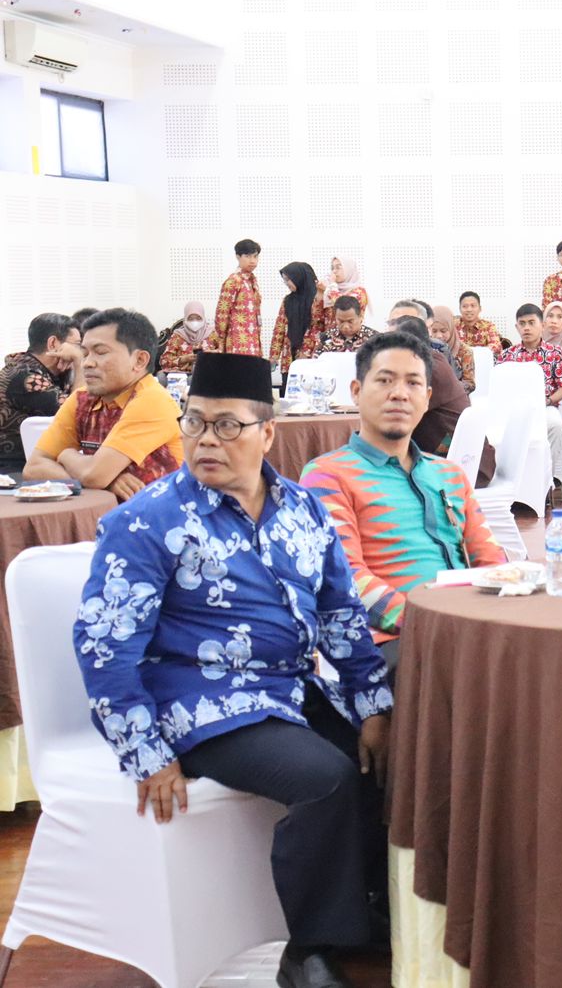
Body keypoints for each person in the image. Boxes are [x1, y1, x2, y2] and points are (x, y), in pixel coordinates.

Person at [72, 351, 394, 988]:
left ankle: (373, 911)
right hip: (201, 704)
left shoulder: (303, 510)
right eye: (193, 423)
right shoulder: (148, 520)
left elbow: (341, 615)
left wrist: (373, 706)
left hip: (289, 691)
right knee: (326, 777)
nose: (205, 441)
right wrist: (146, 752)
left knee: (390, 758)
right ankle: (308, 949)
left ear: (267, 433)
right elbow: (104, 647)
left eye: (226, 426)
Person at [300, 330, 504, 669]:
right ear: (356, 391)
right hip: (391, 640)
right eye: (384, 381)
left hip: (467, 626)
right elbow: (347, 578)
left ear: (427, 398)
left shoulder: (449, 474)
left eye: (413, 383)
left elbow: (490, 557)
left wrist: (499, 612)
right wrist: (433, 624)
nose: (399, 393)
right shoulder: (327, 476)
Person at [26, 309, 182, 501]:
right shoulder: (82, 399)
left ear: (139, 360)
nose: (87, 363)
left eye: (100, 352)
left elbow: (94, 475)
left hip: (161, 516)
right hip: (107, 514)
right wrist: (107, 482)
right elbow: (34, 467)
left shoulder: (152, 400)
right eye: (85, 353)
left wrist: (66, 455)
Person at [495, 303, 562, 484]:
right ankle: (512, 477)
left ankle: (549, 479)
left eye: (532, 323)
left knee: (556, 425)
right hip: (514, 410)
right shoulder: (507, 355)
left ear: (542, 325)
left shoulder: (555, 353)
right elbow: (499, 386)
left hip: (545, 406)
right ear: (516, 327)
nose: (526, 328)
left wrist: (547, 400)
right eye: (522, 324)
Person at [0, 313, 81, 473]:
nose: (80, 352)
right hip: (13, 470)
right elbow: (77, 412)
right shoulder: (24, 376)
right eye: (77, 346)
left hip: (36, 464)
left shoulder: (51, 372)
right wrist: (79, 362)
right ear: (53, 343)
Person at [385, 305, 470, 457]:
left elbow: (401, 409)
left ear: (406, 344)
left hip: (454, 456)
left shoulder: (430, 369)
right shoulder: (427, 360)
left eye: (391, 342)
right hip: (442, 449)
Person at [268, 261, 325, 377]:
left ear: (299, 278)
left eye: (288, 279)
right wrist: (274, 355)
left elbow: (320, 328)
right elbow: (279, 328)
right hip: (290, 356)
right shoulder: (287, 301)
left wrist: (306, 351)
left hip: (313, 357)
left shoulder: (319, 300)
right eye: (284, 280)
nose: (286, 283)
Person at [213, 238, 264, 356]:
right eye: (247, 256)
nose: (252, 261)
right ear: (238, 257)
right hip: (237, 344)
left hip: (254, 342)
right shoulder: (233, 281)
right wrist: (221, 342)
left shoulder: (253, 281)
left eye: (255, 256)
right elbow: (222, 315)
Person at [428, 303, 476, 393]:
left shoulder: (465, 352)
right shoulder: (425, 347)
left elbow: (470, 384)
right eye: (434, 331)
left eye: (443, 331)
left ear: (451, 328)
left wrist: (450, 387)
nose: (439, 336)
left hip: (456, 397)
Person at [158, 301, 214, 374]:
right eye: (190, 319)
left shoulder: (212, 335)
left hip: (206, 373)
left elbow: (222, 356)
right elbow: (164, 361)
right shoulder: (177, 336)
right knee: (161, 375)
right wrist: (183, 359)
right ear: (185, 319)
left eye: (198, 318)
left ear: (203, 318)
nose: (195, 322)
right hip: (182, 375)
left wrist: (206, 357)